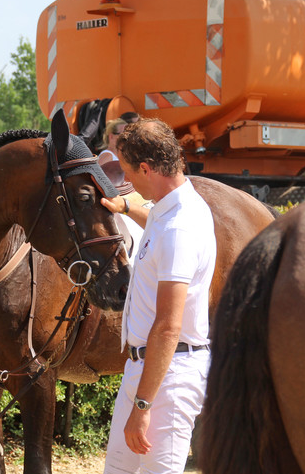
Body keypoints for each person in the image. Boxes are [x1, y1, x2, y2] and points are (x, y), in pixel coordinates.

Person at [100, 118, 216, 474]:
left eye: (129, 173)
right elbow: (156, 225)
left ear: (147, 168)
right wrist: (125, 209)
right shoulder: (171, 209)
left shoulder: (180, 227)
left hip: (170, 376)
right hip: (147, 368)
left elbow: (168, 326)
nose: (126, 182)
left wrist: (143, 406)